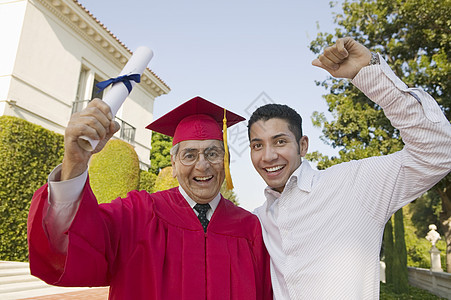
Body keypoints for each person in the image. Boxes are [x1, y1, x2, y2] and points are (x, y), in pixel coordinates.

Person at [247, 37, 451, 299]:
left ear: (303, 145)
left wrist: (369, 72)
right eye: (257, 146)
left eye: (280, 141)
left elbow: (439, 151)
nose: (268, 156)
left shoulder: (353, 184)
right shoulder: (258, 220)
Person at [28, 96, 273, 299]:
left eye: (212, 153)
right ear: (174, 164)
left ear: (225, 160)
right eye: (189, 155)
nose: (203, 166)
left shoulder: (249, 228)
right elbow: (70, 244)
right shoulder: (137, 214)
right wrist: (75, 163)